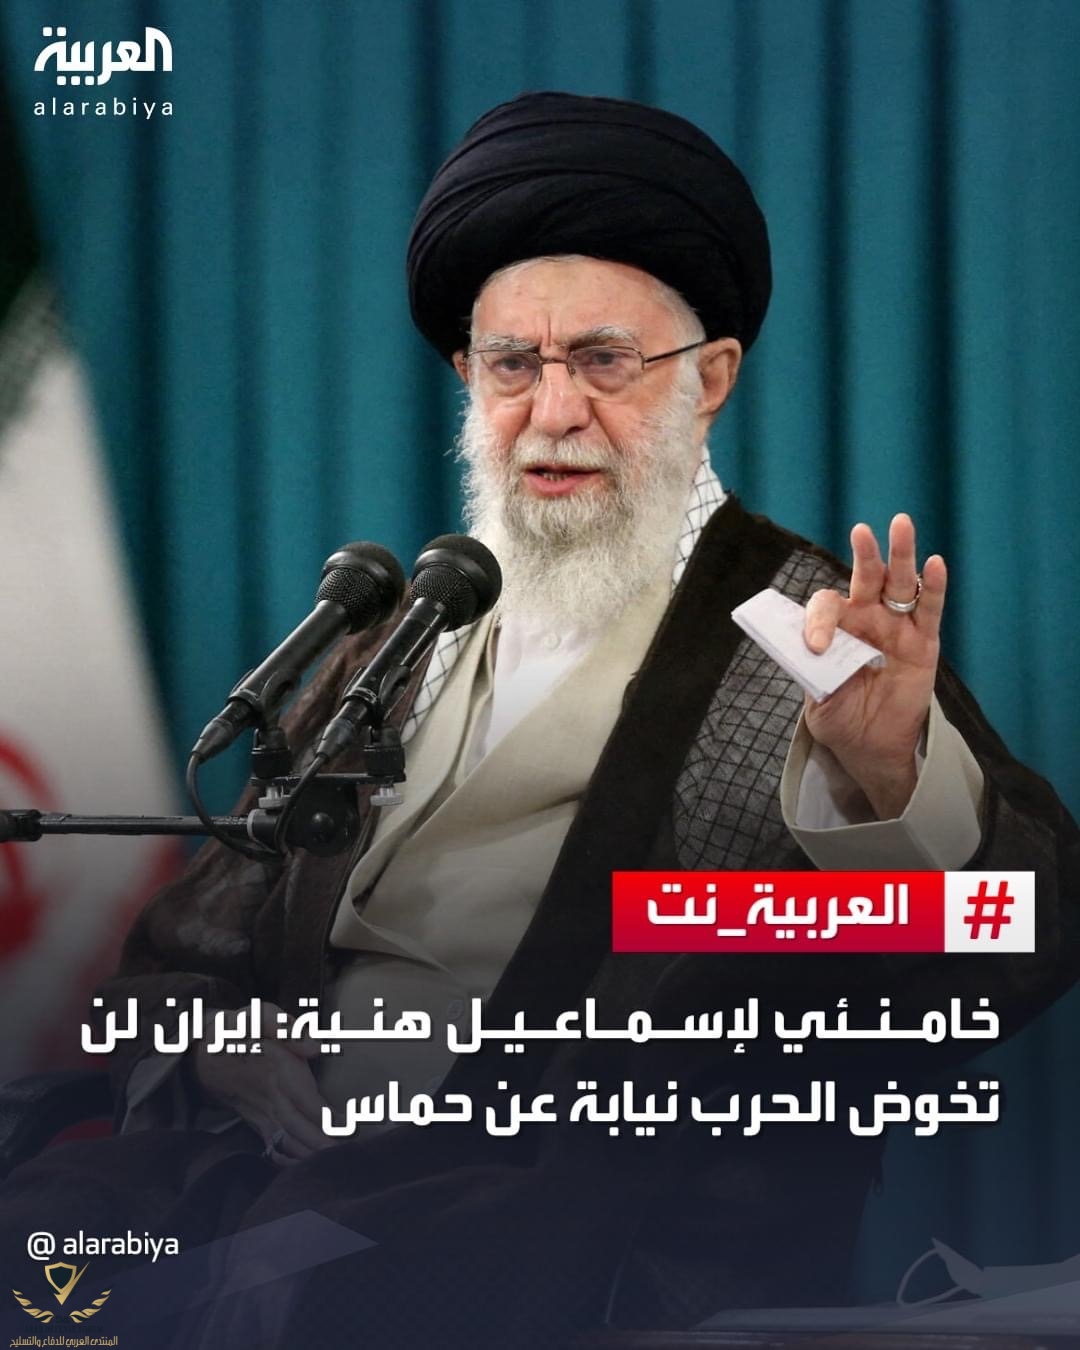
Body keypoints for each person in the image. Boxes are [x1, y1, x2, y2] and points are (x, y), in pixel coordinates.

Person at [7, 92, 1079, 1349]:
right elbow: (186, 951)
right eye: (513, 364)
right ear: (469, 377)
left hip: (575, 1226)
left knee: (295, 1288)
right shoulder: (404, 625)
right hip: (258, 1179)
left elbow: (1022, 939)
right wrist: (219, 1044)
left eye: (605, 361)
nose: (554, 411)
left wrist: (892, 785)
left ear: (712, 378)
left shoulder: (808, 637)